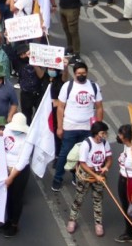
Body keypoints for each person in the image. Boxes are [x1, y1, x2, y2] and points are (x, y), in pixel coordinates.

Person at [52, 62, 103, 191]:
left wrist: (98, 127)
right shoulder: (67, 87)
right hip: (70, 127)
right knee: (65, 154)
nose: (81, 75)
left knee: (82, 155)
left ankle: (77, 176)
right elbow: (60, 108)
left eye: (84, 73)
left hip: (87, 128)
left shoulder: (93, 87)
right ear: (74, 74)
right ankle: (58, 178)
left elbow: (99, 107)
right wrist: (59, 127)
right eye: (79, 73)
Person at [67, 121, 112, 237]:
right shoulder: (87, 144)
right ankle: (72, 220)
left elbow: (109, 158)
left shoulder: (105, 143)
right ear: (96, 133)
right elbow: (83, 163)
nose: (104, 135)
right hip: (86, 175)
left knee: (98, 199)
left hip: (99, 175)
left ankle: (98, 223)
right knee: (79, 198)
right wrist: (94, 175)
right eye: (102, 133)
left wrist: (106, 167)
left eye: (105, 133)